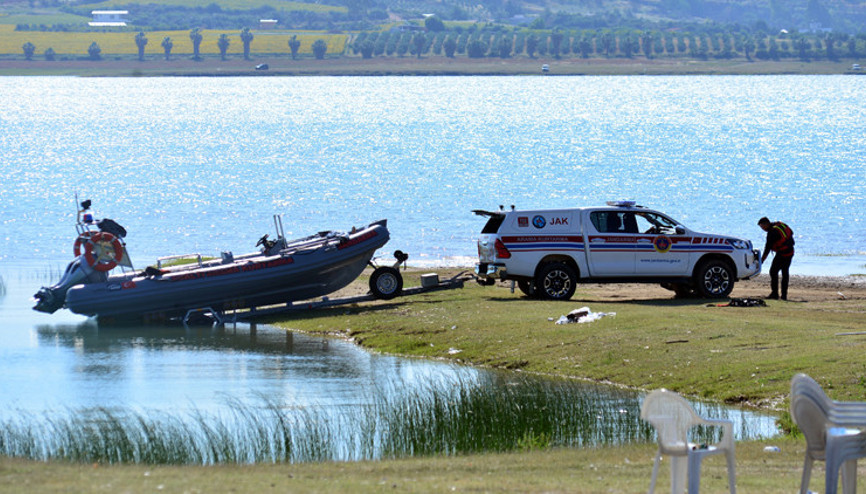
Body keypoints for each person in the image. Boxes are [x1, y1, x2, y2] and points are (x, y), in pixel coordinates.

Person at [758, 217, 794, 300]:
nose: (763, 229)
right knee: (785, 272)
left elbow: (767, 248)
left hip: (783, 253)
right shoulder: (780, 225)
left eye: (763, 227)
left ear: (766, 224)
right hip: (790, 251)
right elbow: (791, 232)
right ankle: (784, 295)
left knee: (773, 271)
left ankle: (775, 294)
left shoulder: (772, 232)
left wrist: (762, 260)